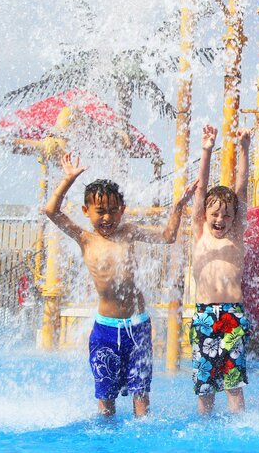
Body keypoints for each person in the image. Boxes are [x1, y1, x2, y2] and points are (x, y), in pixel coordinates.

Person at [43, 152, 198, 418]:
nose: (107, 218)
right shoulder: (85, 239)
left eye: (113, 211)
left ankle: (139, 443)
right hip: (105, 330)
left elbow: (168, 236)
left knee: (141, 395)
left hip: (138, 326)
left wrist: (179, 206)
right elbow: (51, 211)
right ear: (86, 212)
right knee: (106, 399)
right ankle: (108, 448)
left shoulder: (129, 231)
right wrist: (68, 180)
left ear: (122, 210)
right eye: (100, 211)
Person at [190, 124, 253, 415]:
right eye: (214, 213)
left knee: (232, 383)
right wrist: (206, 150)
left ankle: (236, 430)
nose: (220, 218)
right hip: (204, 313)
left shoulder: (236, 235)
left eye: (226, 215)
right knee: (205, 386)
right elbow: (201, 188)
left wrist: (244, 149)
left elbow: (241, 190)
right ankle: (205, 427)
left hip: (232, 313)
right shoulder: (199, 233)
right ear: (205, 214)